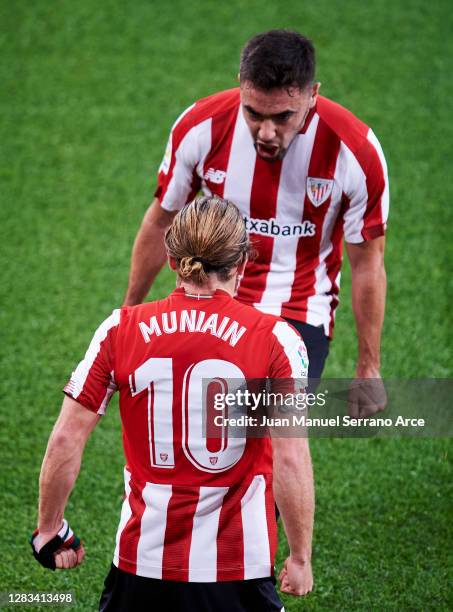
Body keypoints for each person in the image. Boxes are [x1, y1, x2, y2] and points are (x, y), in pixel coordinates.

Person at [31, 196, 315, 611]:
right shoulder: (277, 340)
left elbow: (66, 439)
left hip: (142, 568)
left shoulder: (119, 330)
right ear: (241, 264)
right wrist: (300, 556)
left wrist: (48, 529)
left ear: (171, 259)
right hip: (238, 570)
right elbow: (291, 459)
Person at [124, 29, 389, 417]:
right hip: (210, 296)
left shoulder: (355, 151)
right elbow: (161, 222)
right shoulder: (201, 127)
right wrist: (129, 317)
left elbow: (368, 262)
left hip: (300, 309)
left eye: (283, 116)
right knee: (190, 423)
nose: (266, 133)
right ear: (241, 88)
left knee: (267, 431)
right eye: (253, 113)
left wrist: (369, 367)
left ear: (312, 94)